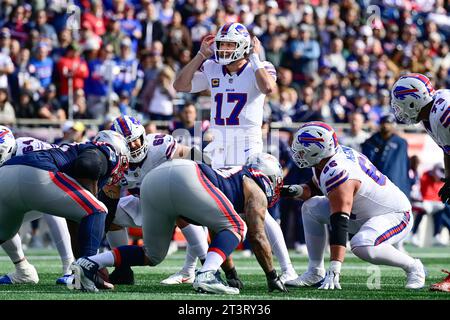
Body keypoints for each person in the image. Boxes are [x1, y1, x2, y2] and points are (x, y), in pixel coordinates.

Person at [173, 22, 298, 284]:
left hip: (247, 144)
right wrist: (200, 56)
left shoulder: (258, 66)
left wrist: (255, 57)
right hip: (218, 144)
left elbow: (268, 88)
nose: (223, 49)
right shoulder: (212, 66)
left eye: (229, 44)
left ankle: (287, 268)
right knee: (203, 203)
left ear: (243, 46)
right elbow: (181, 86)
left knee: (258, 208)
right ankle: (192, 269)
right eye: (221, 44)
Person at [70, 153, 288, 294]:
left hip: (154, 180)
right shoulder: (253, 185)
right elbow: (256, 236)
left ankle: (89, 263)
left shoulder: (232, 180)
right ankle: (207, 275)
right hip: (188, 174)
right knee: (238, 226)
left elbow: (216, 230)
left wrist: (231, 273)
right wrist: (272, 276)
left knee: (152, 255)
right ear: (269, 177)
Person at [281, 121, 425, 290]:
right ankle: (314, 271)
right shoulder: (327, 158)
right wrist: (284, 191)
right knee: (310, 207)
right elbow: (313, 187)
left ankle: (414, 267)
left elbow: (339, 223)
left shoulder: (340, 172)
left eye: (303, 148)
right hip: (364, 214)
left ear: (318, 150)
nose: (298, 152)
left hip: (395, 214)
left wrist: (334, 269)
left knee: (362, 244)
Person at [0, 130, 130, 291]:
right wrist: (91, 265)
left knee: (3, 233)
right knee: (97, 210)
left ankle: (80, 270)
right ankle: (86, 273)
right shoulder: (106, 149)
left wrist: (84, 261)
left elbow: (76, 224)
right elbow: (88, 164)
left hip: (5, 174)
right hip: (36, 172)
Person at [391, 73, 450, 291]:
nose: (399, 109)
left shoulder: (443, 113)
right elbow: (448, 148)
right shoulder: (430, 114)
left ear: (414, 100)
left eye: (401, 103)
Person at [0, 126, 74, 285]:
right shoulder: (11, 155)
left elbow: (52, 181)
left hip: (70, 188)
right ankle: (23, 270)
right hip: (40, 191)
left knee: (49, 203)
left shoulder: (29, 151)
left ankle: (70, 268)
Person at [361, 114, 412, 197]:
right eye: (383, 123)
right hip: (376, 184)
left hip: (396, 183)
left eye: (388, 123)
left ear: (393, 125)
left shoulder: (401, 143)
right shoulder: (371, 141)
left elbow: (404, 166)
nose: (385, 125)